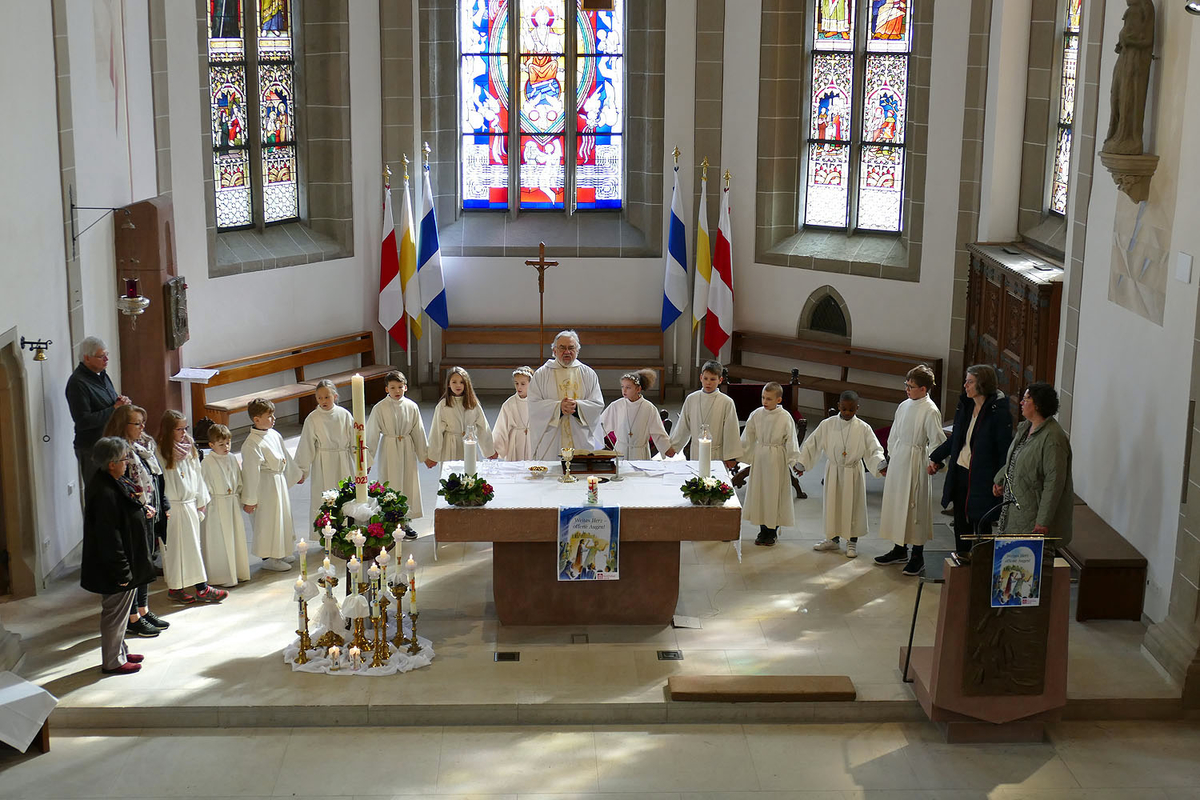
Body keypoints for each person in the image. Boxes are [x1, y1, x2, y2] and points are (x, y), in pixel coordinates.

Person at [81, 437, 155, 675]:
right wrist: (122, 571)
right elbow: (108, 537)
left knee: (121, 613)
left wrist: (142, 510)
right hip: (114, 568)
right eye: (124, 459)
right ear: (111, 463)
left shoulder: (112, 481)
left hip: (125, 562)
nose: (126, 463)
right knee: (115, 613)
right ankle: (112, 661)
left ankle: (119, 650)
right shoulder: (103, 492)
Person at [926, 364, 1012, 561]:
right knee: (960, 521)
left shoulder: (998, 412)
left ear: (982, 384)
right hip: (960, 472)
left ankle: (983, 567)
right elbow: (957, 438)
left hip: (983, 476)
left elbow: (1003, 450)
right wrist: (936, 457)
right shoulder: (966, 405)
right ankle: (962, 562)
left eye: (970, 381)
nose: (965, 385)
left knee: (980, 522)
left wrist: (1000, 480)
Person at [873, 365, 948, 576]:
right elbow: (895, 433)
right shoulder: (904, 405)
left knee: (914, 508)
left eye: (911, 386)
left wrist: (936, 461)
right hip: (899, 460)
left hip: (917, 462)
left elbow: (937, 441)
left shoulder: (930, 410)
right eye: (906, 385)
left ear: (924, 389)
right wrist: (891, 456)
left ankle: (917, 555)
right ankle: (899, 549)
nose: (907, 389)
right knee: (898, 504)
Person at [102, 405, 169, 638]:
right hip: (133, 517)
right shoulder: (116, 451)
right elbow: (121, 486)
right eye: (137, 423)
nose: (142, 427)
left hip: (149, 512)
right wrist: (139, 505)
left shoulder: (140, 447)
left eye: (143, 422)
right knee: (135, 565)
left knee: (147, 563)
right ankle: (132, 618)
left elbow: (154, 478)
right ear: (123, 425)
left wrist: (163, 505)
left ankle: (143, 609)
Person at [802, 391, 886, 559]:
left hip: (853, 471)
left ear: (857, 408)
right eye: (845, 409)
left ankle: (851, 541)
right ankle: (832, 539)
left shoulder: (863, 428)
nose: (847, 413)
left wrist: (880, 464)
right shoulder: (828, 424)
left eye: (852, 410)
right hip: (834, 470)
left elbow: (873, 448)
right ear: (839, 406)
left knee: (852, 506)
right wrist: (802, 463)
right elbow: (813, 443)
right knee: (833, 505)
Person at [993, 382, 1074, 548]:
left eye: (1026, 399)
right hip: (1015, 509)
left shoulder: (1053, 439)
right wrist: (1000, 479)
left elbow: (1054, 482)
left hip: (1033, 516)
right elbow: (1015, 458)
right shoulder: (1026, 428)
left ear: (1037, 405)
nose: (1021, 403)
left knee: (1022, 568)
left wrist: (1043, 521)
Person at [157, 411, 226, 604]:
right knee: (174, 551)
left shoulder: (189, 448)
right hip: (173, 507)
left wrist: (201, 502)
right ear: (168, 430)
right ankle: (178, 588)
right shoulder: (160, 451)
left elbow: (197, 475)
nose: (183, 432)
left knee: (193, 548)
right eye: (178, 429)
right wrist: (164, 508)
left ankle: (200, 588)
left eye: (185, 428)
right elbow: (159, 483)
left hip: (189, 504)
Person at [241, 397, 303, 572]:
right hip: (265, 486)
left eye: (273, 415)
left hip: (278, 482)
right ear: (256, 419)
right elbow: (251, 473)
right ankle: (269, 557)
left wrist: (296, 473)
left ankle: (280, 551)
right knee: (268, 521)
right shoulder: (251, 444)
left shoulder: (274, 434)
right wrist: (250, 499)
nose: (273, 419)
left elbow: (285, 457)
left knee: (281, 517)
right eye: (269, 416)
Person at [366, 370, 427, 538]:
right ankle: (390, 521)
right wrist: (367, 461)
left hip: (407, 447)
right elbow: (371, 434)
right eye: (392, 387)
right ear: (386, 389)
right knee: (390, 482)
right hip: (390, 448)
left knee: (408, 483)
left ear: (405, 387)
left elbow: (418, 431)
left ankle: (405, 522)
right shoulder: (380, 408)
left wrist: (424, 455)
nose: (397, 391)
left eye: (400, 387)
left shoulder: (411, 406)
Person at [740, 382, 802, 547]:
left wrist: (794, 462)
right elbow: (747, 437)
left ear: (779, 399)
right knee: (761, 493)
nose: (764, 401)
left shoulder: (785, 417)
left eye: (768, 399)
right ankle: (762, 530)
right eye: (763, 397)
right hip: (760, 457)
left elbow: (791, 441)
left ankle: (772, 531)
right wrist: (737, 455)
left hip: (776, 458)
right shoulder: (756, 414)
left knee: (774, 494)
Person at [527, 330, 605, 459]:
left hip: (580, 438)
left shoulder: (588, 373)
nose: (567, 352)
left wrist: (577, 407)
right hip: (552, 440)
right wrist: (559, 408)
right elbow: (533, 405)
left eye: (571, 348)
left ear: (577, 350)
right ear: (554, 351)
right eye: (562, 348)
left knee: (579, 473)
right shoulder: (541, 374)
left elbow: (597, 404)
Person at [65, 336, 130, 492]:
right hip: (92, 448)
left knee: (119, 491)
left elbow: (110, 401)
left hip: (112, 442)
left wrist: (121, 401)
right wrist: (114, 408)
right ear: (87, 358)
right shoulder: (77, 383)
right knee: (99, 493)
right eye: (102, 356)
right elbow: (83, 421)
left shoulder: (102, 375)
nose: (107, 359)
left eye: (106, 354)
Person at [294, 380, 355, 527]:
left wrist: (363, 462)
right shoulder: (313, 418)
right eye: (319, 398)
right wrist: (301, 470)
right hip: (323, 463)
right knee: (324, 496)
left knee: (345, 495)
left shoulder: (344, 415)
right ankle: (326, 532)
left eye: (327, 397)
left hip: (343, 460)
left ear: (335, 396)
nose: (323, 401)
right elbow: (306, 445)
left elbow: (354, 440)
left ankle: (347, 529)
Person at [201, 424, 251, 587]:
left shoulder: (231, 458)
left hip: (231, 503)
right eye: (221, 444)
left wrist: (242, 497)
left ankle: (238, 571)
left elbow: (239, 479)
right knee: (219, 540)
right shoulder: (207, 462)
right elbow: (203, 485)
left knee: (234, 538)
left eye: (228, 443)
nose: (226, 447)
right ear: (211, 445)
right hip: (216, 505)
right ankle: (221, 576)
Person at [670, 360, 743, 470]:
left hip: (716, 454)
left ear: (720, 380)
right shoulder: (692, 399)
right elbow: (683, 425)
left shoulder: (726, 402)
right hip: (696, 452)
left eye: (713, 379)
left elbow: (731, 430)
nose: (708, 382)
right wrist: (674, 446)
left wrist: (731, 457)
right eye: (706, 378)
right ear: (701, 378)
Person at [597, 369, 675, 459]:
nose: (624, 390)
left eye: (628, 387)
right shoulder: (616, 406)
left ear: (638, 389)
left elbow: (657, 431)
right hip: (621, 450)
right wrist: (590, 441)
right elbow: (601, 425)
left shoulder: (648, 408)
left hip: (640, 452)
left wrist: (667, 448)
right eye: (622, 387)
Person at [425, 367, 495, 465]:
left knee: (470, 474)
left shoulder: (473, 404)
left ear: (467, 384)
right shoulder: (443, 405)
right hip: (450, 445)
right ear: (448, 384)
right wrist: (433, 456)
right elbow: (436, 431)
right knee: (452, 476)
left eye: (462, 382)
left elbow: (483, 427)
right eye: (454, 382)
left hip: (469, 444)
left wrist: (489, 450)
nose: (458, 385)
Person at [493, 367, 534, 461]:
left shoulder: (536, 402)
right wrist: (496, 449)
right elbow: (501, 427)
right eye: (516, 383)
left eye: (523, 384)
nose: (519, 387)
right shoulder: (509, 404)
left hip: (532, 441)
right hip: (515, 442)